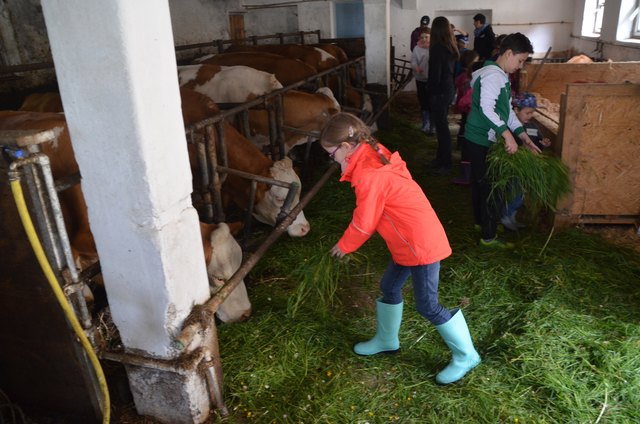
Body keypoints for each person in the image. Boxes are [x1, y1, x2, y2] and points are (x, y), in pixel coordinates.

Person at [320, 112, 481, 385]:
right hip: (405, 241)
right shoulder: (372, 150)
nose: (331, 158)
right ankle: (386, 339)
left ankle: (467, 355)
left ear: (346, 147)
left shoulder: (369, 174)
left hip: (419, 244)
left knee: (428, 305)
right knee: (390, 287)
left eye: (331, 153)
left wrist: (343, 246)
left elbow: (364, 222)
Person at [464, 32, 541, 248]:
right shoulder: (493, 76)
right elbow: (486, 108)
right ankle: (488, 237)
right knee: (490, 187)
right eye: (520, 60)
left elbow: (506, 113)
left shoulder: (500, 75)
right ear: (508, 53)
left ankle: (482, 223)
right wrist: (507, 135)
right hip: (480, 138)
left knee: (481, 184)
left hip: (479, 137)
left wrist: (523, 136)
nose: (520, 65)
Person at [499, 92, 551, 231]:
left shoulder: (533, 127)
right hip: (514, 166)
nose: (530, 116)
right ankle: (505, 216)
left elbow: (537, 143)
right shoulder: (508, 128)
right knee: (513, 190)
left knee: (521, 193)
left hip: (527, 167)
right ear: (516, 110)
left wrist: (543, 144)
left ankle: (512, 216)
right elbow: (507, 147)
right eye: (527, 112)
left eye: (532, 113)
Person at [427, 16, 459, 175]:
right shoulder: (449, 46)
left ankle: (446, 163)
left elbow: (435, 75)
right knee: (442, 126)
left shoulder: (438, 48)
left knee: (442, 128)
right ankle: (440, 158)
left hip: (439, 91)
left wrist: (430, 93)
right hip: (447, 89)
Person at [452, 50, 480, 185]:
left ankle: (466, 176)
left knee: (467, 148)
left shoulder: (468, 83)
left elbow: (463, 102)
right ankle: (473, 174)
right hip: (478, 123)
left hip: (470, 119)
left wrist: (462, 107)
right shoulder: (481, 86)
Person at [411, 28, 432, 134]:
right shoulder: (416, 48)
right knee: (423, 101)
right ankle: (425, 124)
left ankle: (433, 125)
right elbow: (413, 60)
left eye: (426, 37)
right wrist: (416, 67)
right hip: (420, 78)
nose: (424, 39)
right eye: (422, 37)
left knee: (432, 101)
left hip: (432, 79)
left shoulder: (434, 47)